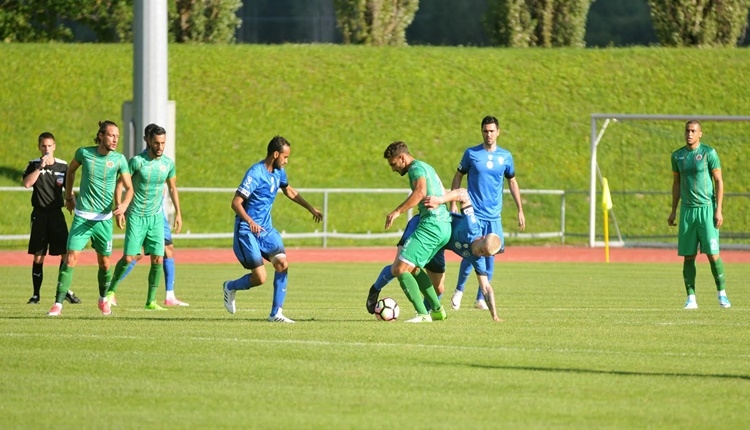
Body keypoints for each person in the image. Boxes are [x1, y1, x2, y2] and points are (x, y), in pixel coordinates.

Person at [222, 135, 322, 323]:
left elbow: (289, 191)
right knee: (260, 278)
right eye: (285, 157)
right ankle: (230, 286)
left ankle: (276, 313)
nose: (286, 161)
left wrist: (310, 208)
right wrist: (250, 221)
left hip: (266, 229)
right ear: (275, 154)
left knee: (283, 264)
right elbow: (236, 203)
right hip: (247, 230)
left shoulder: (279, 173)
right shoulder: (255, 173)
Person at [367, 188, 504, 321]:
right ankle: (375, 289)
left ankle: (424, 314)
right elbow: (463, 194)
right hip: (424, 228)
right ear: (482, 237)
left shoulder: (478, 258)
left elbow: (486, 288)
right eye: (481, 250)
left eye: (483, 255)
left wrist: (495, 315)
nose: (478, 254)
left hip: (438, 246)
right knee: (399, 268)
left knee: (438, 289)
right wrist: (440, 200)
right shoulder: (472, 227)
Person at [47, 120, 133, 316]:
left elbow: (130, 188)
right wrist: (68, 196)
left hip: (103, 220)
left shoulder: (119, 159)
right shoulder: (84, 153)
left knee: (105, 263)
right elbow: (70, 170)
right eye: (111, 135)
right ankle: (58, 304)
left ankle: (103, 299)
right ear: (101, 135)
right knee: (70, 259)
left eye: (117, 136)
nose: (115, 139)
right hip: (83, 217)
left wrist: (124, 205)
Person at [449, 115, 525, 311]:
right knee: (471, 252)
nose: (488, 134)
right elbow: (458, 176)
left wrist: (520, 210)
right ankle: (459, 290)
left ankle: (481, 298)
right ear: (481, 131)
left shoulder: (506, 157)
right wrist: (454, 203)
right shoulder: (471, 154)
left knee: (490, 255)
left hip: (494, 216)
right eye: (485, 130)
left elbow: (513, 182)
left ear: (498, 132)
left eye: (492, 131)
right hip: (474, 213)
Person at [107, 124, 188, 307]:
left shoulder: (168, 164)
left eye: (163, 143)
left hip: (156, 217)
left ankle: (151, 301)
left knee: (158, 258)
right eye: (156, 143)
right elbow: (120, 185)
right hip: (136, 216)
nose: (160, 147)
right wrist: (119, 208)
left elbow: (173, 188)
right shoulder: (137, 161)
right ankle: (110, 291)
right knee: (129, 257)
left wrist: (178, 214)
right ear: (148, 141)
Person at [383, 141, 450, 323]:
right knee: (413, 269)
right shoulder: (427, 166)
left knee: (399, 269)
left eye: (393, 164)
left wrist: (397, 211)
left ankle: (422, 314)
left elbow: (421, 192)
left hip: (431, 225)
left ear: (402, 158)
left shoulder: (415, 169)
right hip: (444, 225)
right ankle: (437, 310)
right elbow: (444, 192)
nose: (393, 169)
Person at [667, 120, 731, 309]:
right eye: (687, 130)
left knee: (713, 254)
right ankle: (691, 298)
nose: (689, 134)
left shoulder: (708, 153)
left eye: (693, 131)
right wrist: (673, 210)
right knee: (688, 256)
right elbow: (676, 184)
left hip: (707, 210)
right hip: (687, 211)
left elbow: (719, 181)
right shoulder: (677, 156)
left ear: (700, 134)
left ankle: (722, 294)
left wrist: (718, 210)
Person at [22, 132, 81, 305]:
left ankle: (66, 290)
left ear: (54, 146)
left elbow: (69, 187)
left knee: (65, 254)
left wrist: (73, 204)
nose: (47, 149)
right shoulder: (33, 164)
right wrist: (40, 167)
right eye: (43, 146)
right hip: (39, 215)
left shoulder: (63, 166)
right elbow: (27, 184)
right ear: (39, 147)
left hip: (56, 215)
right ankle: (35, 295)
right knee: (38, 257)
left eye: (49, 146)